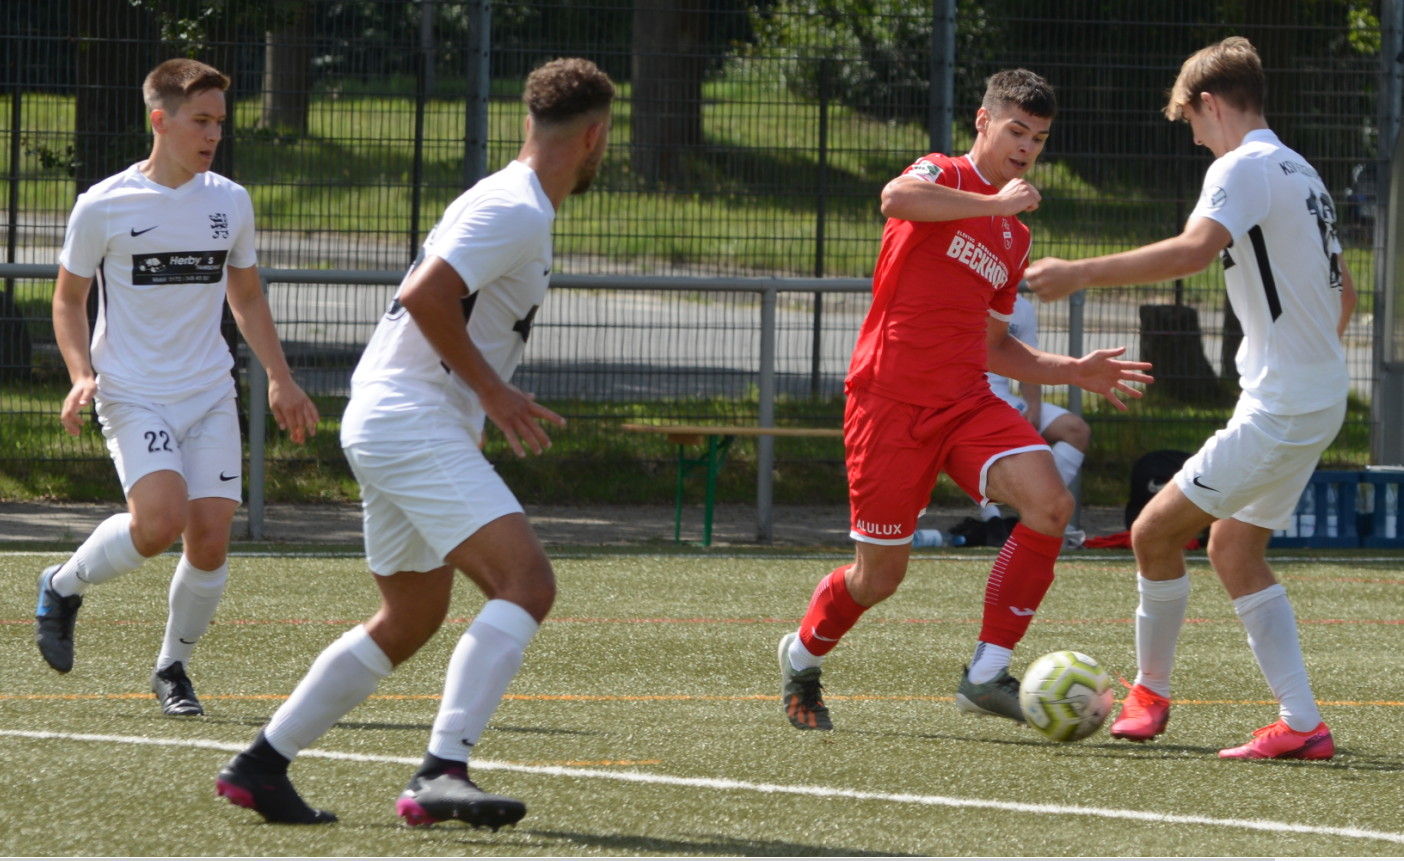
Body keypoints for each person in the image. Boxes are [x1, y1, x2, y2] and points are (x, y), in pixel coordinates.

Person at [215, 57, 615, 827]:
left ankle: (260, 764)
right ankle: (442, 770)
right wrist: (491, 393)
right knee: (526, 584)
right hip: (410, 417)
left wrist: (476, 403)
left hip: (397, 417)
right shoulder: (517, 209)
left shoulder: (509, 198)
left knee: (410, 615)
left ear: (529, 122)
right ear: (595, 136)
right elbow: (424, 295)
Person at [778, 69, 1153, 732]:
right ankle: (801, 657)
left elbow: (993, 346)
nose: (1027, 147)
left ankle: (986, 673)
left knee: (1051, 504)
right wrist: (994, 203)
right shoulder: (945, 174)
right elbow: (895, 197)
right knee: (878, 578)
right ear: (984, 122)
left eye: (1039, 138)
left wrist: (1076, 370)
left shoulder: (1015, 237)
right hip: (889, 401)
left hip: (965, 400)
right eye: (1017, 131)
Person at [1026, 37, 1355, 760]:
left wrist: (1079, 272)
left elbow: (1192, 250)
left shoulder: (1241, 166)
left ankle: (1150, 693)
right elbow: (1346, 292)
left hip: (1284, 405)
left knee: (1152, 533)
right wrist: (1302, 360)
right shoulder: (1302, 171)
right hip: (1315, 395)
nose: (1197, 139)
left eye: (1193, 123)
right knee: (1233, 548)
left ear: (1210, 104)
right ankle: (1302, 723)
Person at [37, 59, 319, 716]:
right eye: (201, 121)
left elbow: (246, 296)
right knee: (159, 522)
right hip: (133, 390)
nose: (214, 134)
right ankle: (62, 584)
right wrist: (81, 374)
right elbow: (68, 300)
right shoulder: (103, 204)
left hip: (209, 391)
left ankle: (172, 668)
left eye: (220, 122)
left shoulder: (230, 201)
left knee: (210, 536)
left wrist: (280, 378)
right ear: (160, 121)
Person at [978, 293, 1092, 546]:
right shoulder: (965, 293)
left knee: (1076, 430)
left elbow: (1028, 362)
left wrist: (1035, 407)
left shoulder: (1022, 307)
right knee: (971, 441)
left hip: (1004, 397)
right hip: (968, 396)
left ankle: (1039, 510)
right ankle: (992, 522)